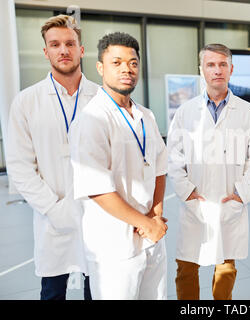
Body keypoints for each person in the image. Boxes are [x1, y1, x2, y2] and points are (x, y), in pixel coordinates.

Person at [69, 32, 168, 300]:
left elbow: (159, 166)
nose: (127, 68)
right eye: (117, 62)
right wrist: (145, 223)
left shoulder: (146, 115)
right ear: (100, 67)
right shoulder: (92, 119)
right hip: (113, 244)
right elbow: (97, 189)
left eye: (133, 63)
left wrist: (155, 216)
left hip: (150, 236)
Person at [6, 15, 98, 300]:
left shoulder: (102, 98)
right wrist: (56, 210)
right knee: (52, 293)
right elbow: (20, 167)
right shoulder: (27, 101)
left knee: (97, 290)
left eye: (70, 43)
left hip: (98, 216)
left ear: (81, 50)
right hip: (51, 219)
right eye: (55, 44)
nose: (64, 50)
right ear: (46, 52)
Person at [167, 43, 250, 300]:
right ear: (202, 70)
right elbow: (174, 158)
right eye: (210, 64)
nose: (217, 70)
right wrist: (187, 194)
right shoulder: (186, 112)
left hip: (228, 202)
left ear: (231, 69)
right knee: (186, 269)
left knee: (225, 269)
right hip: (195, 202)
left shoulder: (248, 112)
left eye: (222, 64)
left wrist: (241, 194)